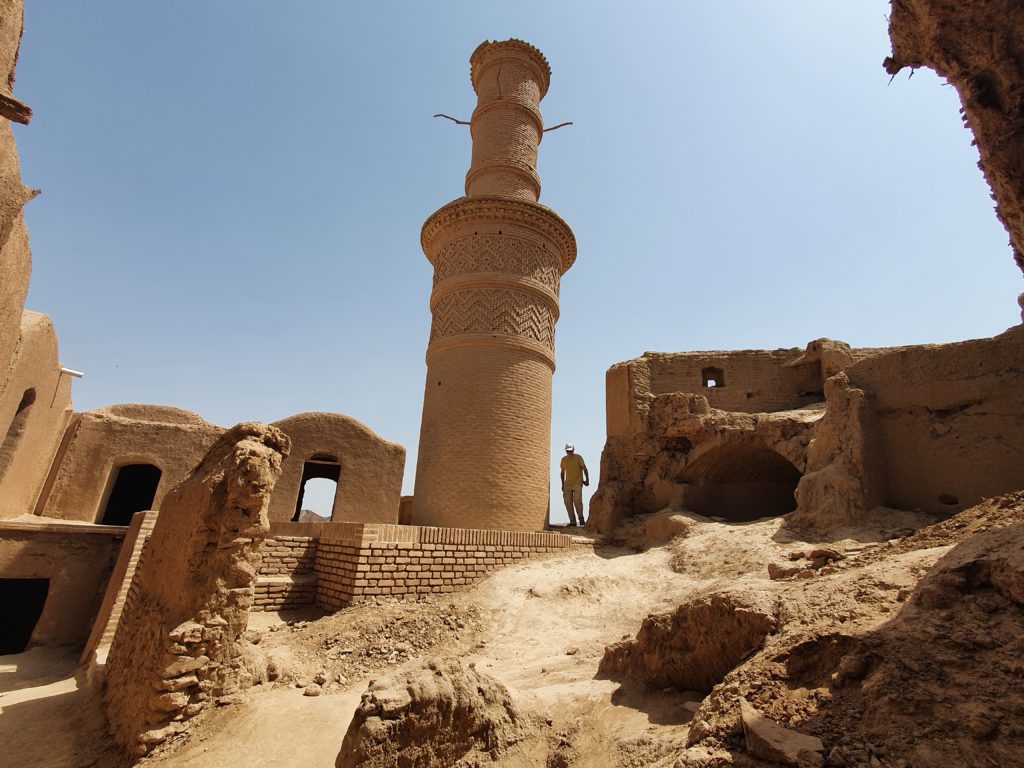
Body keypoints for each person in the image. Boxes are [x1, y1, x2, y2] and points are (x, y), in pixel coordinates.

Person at [559, 443, 589, 527]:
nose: (569, 452)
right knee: (567, 501)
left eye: (571, 451)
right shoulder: (563, 459)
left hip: (577, 482)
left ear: (573, 450)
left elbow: (584, 468)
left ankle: (581, 519)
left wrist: (587, 480)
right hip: (567, 484)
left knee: (577, 499)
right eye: (568, 451)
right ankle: (572, 521)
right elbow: (562, 472)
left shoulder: (578, 457)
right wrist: (562, 484)